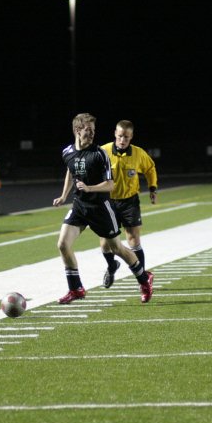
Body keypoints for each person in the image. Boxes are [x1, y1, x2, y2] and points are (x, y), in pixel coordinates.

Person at [52, 113, 154, 304]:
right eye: (88, 131)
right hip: (80, 206)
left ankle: (144, 279)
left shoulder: (99, 154)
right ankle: (76, 289)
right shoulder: (67, 152)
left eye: (93, 131)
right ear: (77, 130)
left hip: (100, 208)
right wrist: (64, 195)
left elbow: (110, 185)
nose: (91, 135)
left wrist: (89, 188)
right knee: (63, 245)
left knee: (117, 248)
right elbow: (70, 170)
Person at [97, 119, 159, 288]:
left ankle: (143, 279)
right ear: (115, 134)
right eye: (120, 136)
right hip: (108, 202)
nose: (123, 140)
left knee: (133, 239)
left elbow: (150, 168)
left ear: (131, 137)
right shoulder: (104, 151)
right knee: (105, 243)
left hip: (130, 201)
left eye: (126, 137)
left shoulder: (138, 154)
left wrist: (153, 188)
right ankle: (111, 267)